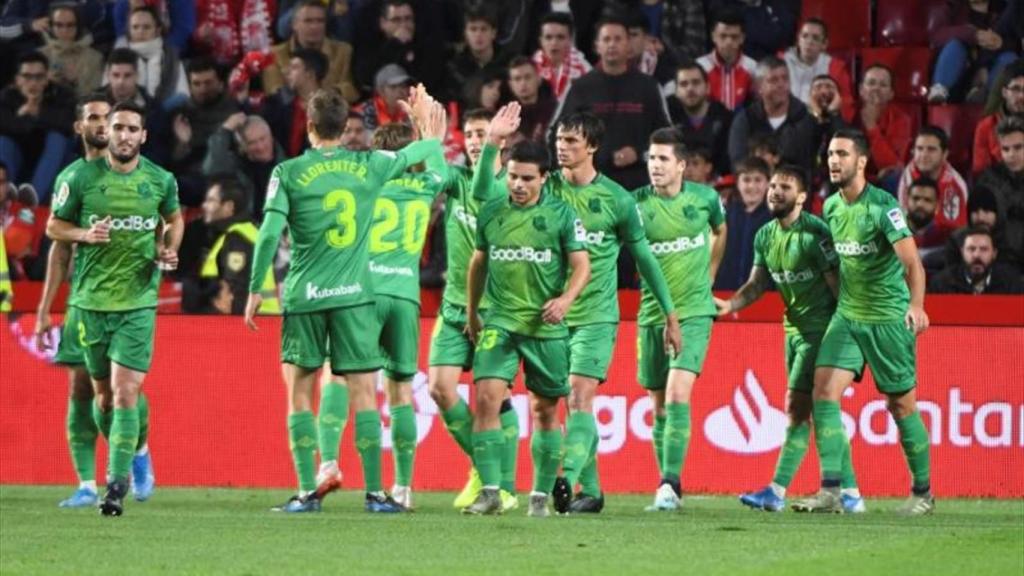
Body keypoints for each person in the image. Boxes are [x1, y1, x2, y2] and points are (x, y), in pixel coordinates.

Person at [243, 86, 446, 514]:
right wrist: (429, 126)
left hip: (304, 296)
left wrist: (255, 289)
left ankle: (306, 491)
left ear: (310, 126)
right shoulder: (370, 164)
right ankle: (376, 493)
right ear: (345, 127)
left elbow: (267, 233)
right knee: (365, 395)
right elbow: (423, 153)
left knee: (300, 393)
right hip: (355, 296)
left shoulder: (288, 172)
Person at [45, 100, 183, 516]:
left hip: (138, 303)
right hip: (90, 303)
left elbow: (174, 220)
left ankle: (115, 485)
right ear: (110, 132)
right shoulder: (78, 177)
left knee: (126, 392)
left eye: (131, 129)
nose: (123, 135)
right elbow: (53, 226)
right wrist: (85, 234)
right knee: (102, 399)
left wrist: (168, 249)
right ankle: (139, 448)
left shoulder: (160, 180)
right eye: (117, 127)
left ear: (144, 136)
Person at [794, 129, 934, 515]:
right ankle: (833, 490)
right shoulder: (832, 207)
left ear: (862, 161)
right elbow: (838, 265)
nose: (833, 161)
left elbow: (912, 263)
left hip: (888, 317)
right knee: (822, 393)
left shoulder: (883, 206)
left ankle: (923, 493)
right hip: (848, 316)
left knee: (900, 406)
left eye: (841, 154)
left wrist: (917, 305)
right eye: (829, 155)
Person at [717, 165, 865, 513]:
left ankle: (776, 491)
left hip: (821, 332)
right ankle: (853, 494)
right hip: (793, 330)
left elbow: (838, 289)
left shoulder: (816, 235)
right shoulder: (764, 235)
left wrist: (844, 336)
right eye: (772, 185)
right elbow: (757, 285)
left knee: (798, 409)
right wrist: (731, 304)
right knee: (815, 412)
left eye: (784, 187)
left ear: (801, 197)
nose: (774, 192)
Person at [322, 120, 449, 511]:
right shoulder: (425, 187)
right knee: (400, 393)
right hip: (405, 298)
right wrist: (434, 137)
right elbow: (441, 172)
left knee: (339, 378)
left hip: (365, 293)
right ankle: (404, 488)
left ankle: (327, 463)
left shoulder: (366, 183)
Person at [462, 139, 591, 516]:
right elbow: (478, 264)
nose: (517, 185)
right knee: (486, 398)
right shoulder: (491, 212)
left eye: (527, 178)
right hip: (499, 321)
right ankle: (489, 492)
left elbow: (582, 265)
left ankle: (539, 496)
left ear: (544, 178)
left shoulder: (562, 215)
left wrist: (565, 300)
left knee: (545, 412)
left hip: (545, 327)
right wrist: (473, 313)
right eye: (513, 176)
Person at [426, 107, 520, 513]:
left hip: (496, 310)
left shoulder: (508, 188)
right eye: (469, 133)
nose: (475, 139)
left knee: (491, 399)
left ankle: (503, 486)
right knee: (440, 389)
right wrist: (428, 136)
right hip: (453, 306)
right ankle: (486, 470)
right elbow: (431, 177)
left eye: (483, 132)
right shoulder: (456, 179)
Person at [634, 128, 727, 512]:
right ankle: (671, 483)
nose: (655, 166)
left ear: (682, 165)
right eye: (651, 159)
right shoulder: (635, 204)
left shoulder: (705, 199)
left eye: (663, 159)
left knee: (676, 394)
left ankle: (668, 484)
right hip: (650, 314)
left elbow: (720, 231)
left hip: (693, 313)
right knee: (658, 406)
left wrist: (709, 277)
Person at [555, 16, 671, 190]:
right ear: (597, 46)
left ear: (628, 44)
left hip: (641, 188)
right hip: (591, 188)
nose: (612, 44)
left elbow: (667, 137)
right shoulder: (580, 87)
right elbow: (556, 136)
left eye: (618, 39)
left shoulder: (649, 87)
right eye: (606, 39)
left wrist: (639, 154)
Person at [182, 178, 278, 315]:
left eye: (211, 200)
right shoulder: (245, 232)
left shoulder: (237, 239)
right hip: (261, 323)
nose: (204, 205)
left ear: (228, 207)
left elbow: (238, 292)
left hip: (249, 327)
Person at [0, 51, 75, 204]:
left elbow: (68, 125)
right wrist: (23, 115)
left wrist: (37, 113)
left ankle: (32, 199)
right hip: (20, 157)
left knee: (57, 139)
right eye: (27, 77)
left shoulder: (62, 94)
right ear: (17, 79)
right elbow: (4, 125)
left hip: (55, 160)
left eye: (39, 77)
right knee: (3, 142)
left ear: (46, 79)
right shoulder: (7, 96)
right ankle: (5, 196)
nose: (33, 83)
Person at [727, 56, 817, 173]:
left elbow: (808, 163)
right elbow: (737, 162)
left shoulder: (805, 117)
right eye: (773, 80)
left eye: (785, 79)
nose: (781, 84)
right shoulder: (745, 119)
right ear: (759, 87)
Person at [261, 0, 359, 104]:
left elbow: (352, 90)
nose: (314, 26)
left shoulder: (343, 51)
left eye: (320, 21)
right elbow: (273, 91)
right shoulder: (274, 54)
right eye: (308, 21)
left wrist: (325, 94)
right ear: (294, 24)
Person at [202, 113, 284, 221]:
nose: (260, 147)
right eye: (252, 143)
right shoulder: (237, 166)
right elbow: (212, 168)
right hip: (244, 230)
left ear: (271, 136)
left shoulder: (290, 168)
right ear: (242, 146)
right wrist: (225, 130)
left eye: (263, 138)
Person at [896, 126, 970, 242]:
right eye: (919, 149)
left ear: (945, 154)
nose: (924, 155)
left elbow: (956, 231)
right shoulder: (903, 179)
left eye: (931, 149)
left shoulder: (955, 185)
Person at [668, 60, 733, 179]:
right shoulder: (667, 117)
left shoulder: (725, 117)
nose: (690, 88)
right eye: (684, 84)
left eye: (696, 82)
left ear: (708, 87)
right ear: (676, 91)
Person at [714, 157, 772, 290]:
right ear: (738, 183)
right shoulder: (724, 216)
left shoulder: (775, 220)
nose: (752, 186)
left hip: (764, 296)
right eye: (746, 180)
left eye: (758, 180)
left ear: (768, 183)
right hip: (724, 292)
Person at [781, 18, 854, 122]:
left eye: (815, 38)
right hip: (783, 121)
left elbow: (846, 105)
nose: (809, 42)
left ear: (824, 44)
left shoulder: (836, 69)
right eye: (805, 36)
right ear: (798, 40)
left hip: (819, 123)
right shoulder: (781, 62)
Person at [975, 116, 1024, 270]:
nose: (1011, 155)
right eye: (1006, 149)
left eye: (1018, 148)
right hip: (1000, 257)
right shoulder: (988, 180)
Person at [114, 5, 187, 104]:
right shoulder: (117, 58)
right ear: (129, 30)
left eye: (146, 27)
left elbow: (182, 96)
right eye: (135, 27)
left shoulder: (171, 58)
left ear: (157, 30)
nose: (140, 32)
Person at [260, 48, 326, 158]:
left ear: (310, 74)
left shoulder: (331, 109)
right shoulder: (279, 103)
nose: (286, 71)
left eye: (294, 67)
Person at [857, 64, 912, 187]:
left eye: (883, 85)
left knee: (896, 178)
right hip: (855, 178)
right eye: (871, 83)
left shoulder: (901, 120)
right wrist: (872, 178)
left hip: (884, 182)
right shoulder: (848, 114)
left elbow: (891, 166)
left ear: (891, 93)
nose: (876, 88)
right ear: (861, 90)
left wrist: (871, 127)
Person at [929, 226, 1022, 294]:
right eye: (971, 249)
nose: (977, 255)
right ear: (962, 252)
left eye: (984, 249)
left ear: (994, 254)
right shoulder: (941, 284)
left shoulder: (1012, 284)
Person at [38, 3, 103, 98]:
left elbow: (95, 97)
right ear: (51, 27)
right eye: (59, 25)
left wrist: (75, 82)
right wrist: (46, 82)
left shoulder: (94, 58)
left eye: (70, 25)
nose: (64, 30)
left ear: (78, 27)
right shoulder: (39, 56)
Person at [697, 9, 757, 112]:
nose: (728, 42)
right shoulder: (699, 67)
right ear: (713, 36)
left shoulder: (753, 68)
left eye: (734, 37)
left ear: (742, 38)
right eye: (723, 36)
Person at [973, 61, 1023, 175]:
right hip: (1001, 187)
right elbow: (981, 172)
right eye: (1016, 89)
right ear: (1004, 92)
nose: (1021, 96)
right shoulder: (986, 126)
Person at [531, 12, 591, 103]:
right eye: (548, 37)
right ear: (541, 41)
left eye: (560, 37)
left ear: (570, 40)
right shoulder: (530, 68)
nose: (554, 43)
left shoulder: (584, 70)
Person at [507, 57, 556, 143]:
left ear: (539, 79)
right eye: (517, 79)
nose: (523, 83)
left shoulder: (554, 110)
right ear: (511, 85)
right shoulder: (507, 115)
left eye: (528, 77)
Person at [904, 177, 947, 260]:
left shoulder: (945, 237)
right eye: (916, 198)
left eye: (927, 200)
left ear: (937, 206)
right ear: (906, 201)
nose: (920, 204)